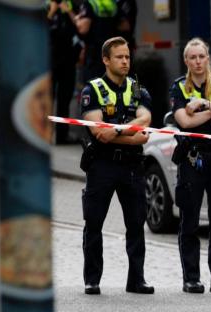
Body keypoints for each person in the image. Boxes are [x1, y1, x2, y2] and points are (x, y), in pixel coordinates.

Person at [79, 36, 153, 295]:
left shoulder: (138, 89)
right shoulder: (93, 90)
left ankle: (136, 280)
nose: (125, 61)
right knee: (94, 224)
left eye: (127, 57)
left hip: (132, 166)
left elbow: (146, 120)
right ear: (105, 60)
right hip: (102, 165)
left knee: (136, 223)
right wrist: (131, 134)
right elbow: (101, 134)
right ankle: (92, 280)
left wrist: (121, 130)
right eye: (119, 57)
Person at [169, 38, 211, 294]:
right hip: (192, 160)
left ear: (208, 58)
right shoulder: (179, 88)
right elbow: (184, 123)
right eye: (193, 57)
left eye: (202, 56)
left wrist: (205, 105)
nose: (198, 61)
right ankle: (191, 278)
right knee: (190, 220)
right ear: (186, 61)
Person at [47, 0, 81, 144]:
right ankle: (45, 134)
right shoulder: (47, 6)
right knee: (48, 99)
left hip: (68, 61)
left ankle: (62, 136)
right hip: (49, 61)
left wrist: (68, 11)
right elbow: (36, 27)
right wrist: (52, 11)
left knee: (64, 100)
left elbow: (81, 26)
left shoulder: (73, 5)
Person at [76, 0, 118, 81]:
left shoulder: (90, 3)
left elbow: (83, 29)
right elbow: (121, 25)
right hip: (111, 50)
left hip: (94, 53)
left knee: (93, 85)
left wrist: (77, 20)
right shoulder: (112, 4)